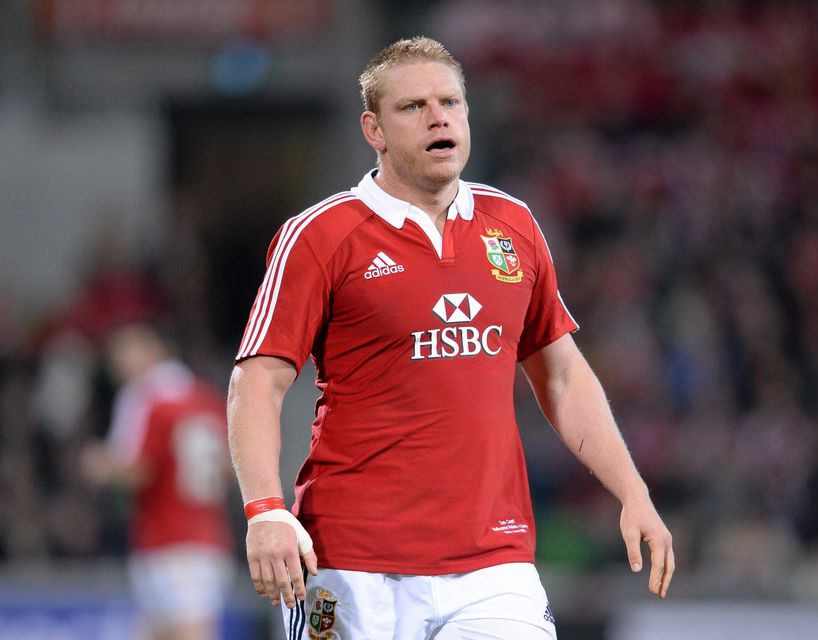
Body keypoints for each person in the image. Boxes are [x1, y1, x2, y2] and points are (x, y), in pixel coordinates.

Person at [227, 36, 674, 640]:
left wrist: (632, 491)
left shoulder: (512, 224)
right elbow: (257, 381)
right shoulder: (320, 235)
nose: (438, 118)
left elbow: (562, 375)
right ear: (374, 130)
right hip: (352, 562)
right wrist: (264, 510)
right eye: (413, 107)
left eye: (450, 102)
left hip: (494, 563)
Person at [81, 323, 235, 640]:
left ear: (155, 349)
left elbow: (138, 471)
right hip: (205, 536)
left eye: (126, 349)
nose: (117, 360)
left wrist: (101, 465)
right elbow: (230, 467)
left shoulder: (146, 396)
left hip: (168, 539)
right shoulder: (205, 395)